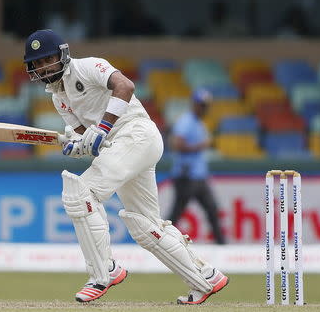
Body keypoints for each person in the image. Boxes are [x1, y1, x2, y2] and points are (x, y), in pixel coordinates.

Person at [23, 29, 229, 304]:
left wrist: (103, 128)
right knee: (145, 226)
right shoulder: (58, 98)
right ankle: (206, 277)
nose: (42, 67)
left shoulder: (88, 66)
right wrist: (77, 144)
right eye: (36, 64)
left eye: (46, 59)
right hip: (122, 148)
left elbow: (125, 86)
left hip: (137, 134)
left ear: (62, 55)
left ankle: (103, 273)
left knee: (81, 193)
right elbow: (88, 137)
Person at [168, 89, 226, 245]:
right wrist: (200, 145)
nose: (203, 108)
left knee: (212, 211)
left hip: (199, 176)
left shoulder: (200, 123)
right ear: (194, 104)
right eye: (201, 105)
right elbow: (177, 144)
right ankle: (163, 244)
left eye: (206, 105)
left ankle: (223, 248)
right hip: (186, 176)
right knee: (175, 215)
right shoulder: (186, 121)